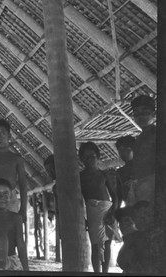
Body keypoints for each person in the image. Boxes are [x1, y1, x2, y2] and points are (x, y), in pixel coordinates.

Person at [78, 141, 121, 273]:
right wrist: (83, 218)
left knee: (107, 243)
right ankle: (97, 273)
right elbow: (77, 201)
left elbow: (115, 197)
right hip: (92, 211)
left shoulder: (103, 174)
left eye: (92, 156)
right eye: (85, 157)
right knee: (96, 244)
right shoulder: (79, 177)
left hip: (107, 209)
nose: (89, 159)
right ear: (81, 159)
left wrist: (112, 212)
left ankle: (105, 272)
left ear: (97, 156)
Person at [0, 179, 28, 271]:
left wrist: (26, 269)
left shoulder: (16, 218)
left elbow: (21, 246)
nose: (1, 197)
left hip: (10, 261)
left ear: (11, 196)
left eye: (6, 194)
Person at [129, 95, 156, 208]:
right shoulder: (139, 139)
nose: (140, 116)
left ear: (153, 114)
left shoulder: (157, 134)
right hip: (140, 187)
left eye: (145, 112)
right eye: (137, 113)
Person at [115, 135, 135, 208]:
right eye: (120, 152)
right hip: (130, 207)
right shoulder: (120, 172)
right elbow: (119, 195)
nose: (121, 154)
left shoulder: (143, 166)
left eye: (123, 150)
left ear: (132, 149)